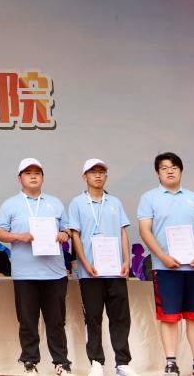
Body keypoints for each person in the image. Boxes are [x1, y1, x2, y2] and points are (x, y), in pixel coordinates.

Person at [138, 152, 194, 376]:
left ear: (181, 171)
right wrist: (162, 256)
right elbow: (145, 230)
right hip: (165, 268)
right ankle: (171, 364)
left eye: (174, 167)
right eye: (164, 168)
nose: (170, 171)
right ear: (158, 173)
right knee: (169, 317)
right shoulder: (149, 198)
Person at [0, 158, 71, 376]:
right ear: (20, 178)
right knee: (27, 321)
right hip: (25, 274)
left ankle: (61, 362)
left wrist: (64, 234)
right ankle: (29, 361)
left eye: (37, 172)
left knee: (56, 321)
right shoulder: (10, 204)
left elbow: (68, 229)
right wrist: (19, 237)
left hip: (54, 274)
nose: (33, 176)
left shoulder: (55, 203)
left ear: (43, 177)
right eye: (28, 173)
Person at [66, 159, 136, 376]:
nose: (98, 175)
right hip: (91, 273)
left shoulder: (115, 202)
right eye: (93, 172)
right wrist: (85, 263)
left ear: (106, 176)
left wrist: (127, 260)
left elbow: (123, 232)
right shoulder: (77, 203)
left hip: (115, 270)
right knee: (93, 317)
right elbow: (75, 235)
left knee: (120, 317)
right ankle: (96, 362)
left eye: (102, 172)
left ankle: (122, 363)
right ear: (84, 177)